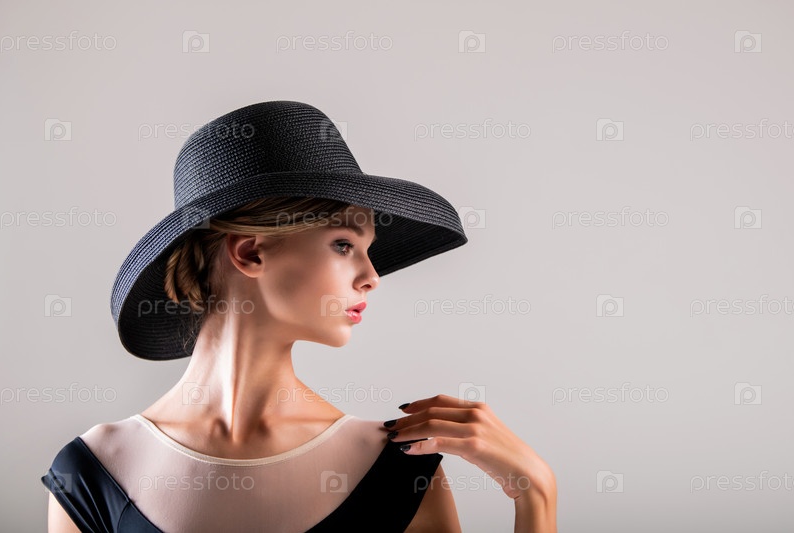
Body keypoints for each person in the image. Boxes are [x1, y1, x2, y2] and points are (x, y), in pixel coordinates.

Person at [41, 101, 557, 532]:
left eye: (368, 250)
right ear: (250, 252)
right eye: (343, 245)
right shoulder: (92, 472)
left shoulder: (400, 468)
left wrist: (534, 491)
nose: (372, 277)